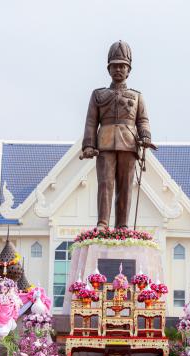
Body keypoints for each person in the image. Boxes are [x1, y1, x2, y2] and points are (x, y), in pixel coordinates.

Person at [81, 40, 152, 229]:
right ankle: (103, 223)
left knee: (125, 186)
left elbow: (142, 120)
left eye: (123, 66)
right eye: (115, 66)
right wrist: (89, 145)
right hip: (104, 143)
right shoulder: (98, 95)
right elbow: (90, 121)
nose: (119, 69)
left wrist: (145, 135)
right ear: (109, 69)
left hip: (129, 144)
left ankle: (122, 226)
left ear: (129, 70)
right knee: (105, 184)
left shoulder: (137, 96)